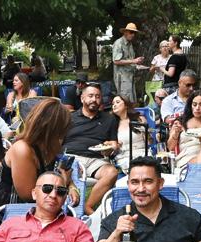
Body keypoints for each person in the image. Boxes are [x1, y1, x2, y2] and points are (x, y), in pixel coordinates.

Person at [62, 83, 120, 215]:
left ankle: (87, 206)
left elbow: (113, 143)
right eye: (90, 96)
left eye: (98, 97)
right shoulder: (69, 117)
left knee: (112, 172)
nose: (94, 99)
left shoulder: (109, 119)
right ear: (82, 98)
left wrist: (111, 147)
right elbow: (59, 142)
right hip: (72, 157)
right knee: (63, 172)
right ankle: (67, 209)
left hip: (96, 159)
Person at [166, 89, 201, 169]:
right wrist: (175, 133)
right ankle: (200, 171)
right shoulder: (181, 122)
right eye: (194, 104)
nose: (197, 108)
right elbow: (170, 147)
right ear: (190, 105)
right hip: (188, 158)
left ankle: (198, 173)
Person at [112, 94, 148, 174]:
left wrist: (147, 133)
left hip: (142, 153)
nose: (114, 105)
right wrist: (116, 145)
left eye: (117, 102)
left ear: (126, 105)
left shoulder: (139, 119)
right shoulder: (113, 124)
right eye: (113, 103)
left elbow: (149, 142)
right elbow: (112, 147)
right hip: (124, 157)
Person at [112, 23, 145, 103]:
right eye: (131, 32)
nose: (133, 35)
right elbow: (116, 61)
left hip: (130, 77)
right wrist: (134, 61)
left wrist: (137, 63)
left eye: (134, 33)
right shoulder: (119, 43)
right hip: (122, 79)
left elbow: (129, 61)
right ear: (125, 32)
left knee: (131, 102)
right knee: (125, 102)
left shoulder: (130, 44)